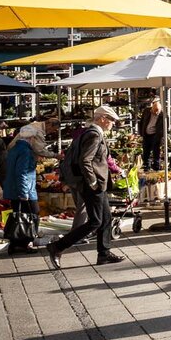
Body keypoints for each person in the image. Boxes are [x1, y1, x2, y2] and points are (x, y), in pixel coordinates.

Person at [47, 106, 125, 268]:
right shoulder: (94, 136)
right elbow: (85, 160)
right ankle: (58, 246)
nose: (112, 123)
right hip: (92, 185)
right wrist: (93, 182)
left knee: (106, 218)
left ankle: (104, 253)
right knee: (95, 221)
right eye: (111, 120)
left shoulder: (91, 133)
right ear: (102, 118)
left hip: (96, 184)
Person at [3, 123, 47, 254]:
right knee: (32, 215)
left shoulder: (14, 148)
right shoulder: (26, 151)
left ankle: (15, 243)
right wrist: (24, 193)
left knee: (18, 216)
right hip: (25, 189)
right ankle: (25, 243)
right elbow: (22, 173)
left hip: (13, 188)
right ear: (32, 138)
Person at [138, 98, 164, 170]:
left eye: (157, 112)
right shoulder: (147, 111)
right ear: (151, 109)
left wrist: (161, 137)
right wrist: (141, 132)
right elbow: (142, 121)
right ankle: (146, 166)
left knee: (156, 152)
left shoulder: (163, 115)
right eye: (154, 111)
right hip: (146, 134)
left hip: (155, 135)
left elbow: (164, 128)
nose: (155, 113)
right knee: (146, 151)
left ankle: (156, 167)